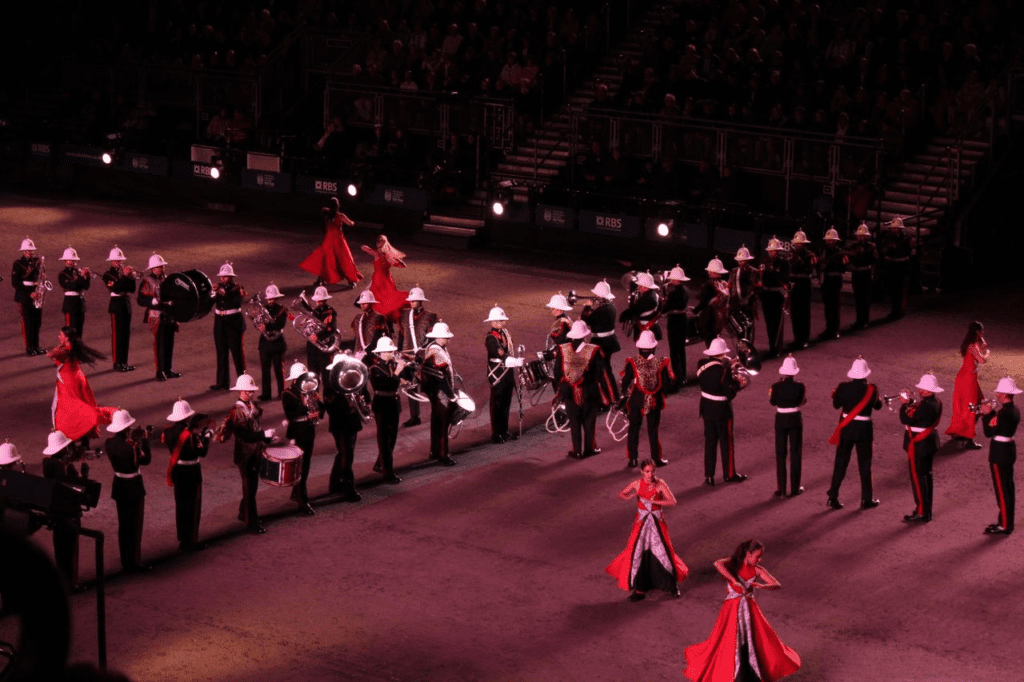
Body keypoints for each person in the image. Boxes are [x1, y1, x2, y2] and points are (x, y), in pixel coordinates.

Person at [683, 540, 801, 682]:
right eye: (757, 556)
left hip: (750, 608)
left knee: (753, 636)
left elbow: (776, 584)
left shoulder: (758, 569)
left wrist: (761, 586)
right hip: (731, 608)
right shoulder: (733, 563)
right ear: (748, 553)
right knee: (729, 637)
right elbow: (717, 563)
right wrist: (733, 580)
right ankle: (733, 669)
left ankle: (748, 668)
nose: (759, 559)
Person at [605, 459, 688, 601]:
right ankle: (639, 590)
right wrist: (629, 496)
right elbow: (621, 494)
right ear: (642, 472)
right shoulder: (636, 484)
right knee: (637, 553)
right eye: (647, 471)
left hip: (657, 523)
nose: (650, 474)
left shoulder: (660, 484)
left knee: (663, 552)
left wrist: (656, 502)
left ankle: (672, 585)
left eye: (652, 471)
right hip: (641, 523)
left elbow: (672, 501)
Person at [216, 373, 275, 534]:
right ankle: (251, 521)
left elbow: (255, 428)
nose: (250, 393)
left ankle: (245, 512)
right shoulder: (237, 412)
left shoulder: (251, 406)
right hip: (245, 454)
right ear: (240, 391)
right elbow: (244, 435)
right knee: (249, 487)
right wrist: (263, 435)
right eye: (247, 391)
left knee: (252, 487)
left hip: (255, 450)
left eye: (251, 391)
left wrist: (266, 437)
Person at [550, 320, 616, 459]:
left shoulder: (563, 350)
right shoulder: (594, 350)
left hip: (569, 391)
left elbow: (557, 373)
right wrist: (611, 397)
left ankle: (577, 450)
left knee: (574, 422)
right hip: (589, 392)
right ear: (585, 336)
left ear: (572, 336)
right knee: (589, 421)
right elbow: (602, 374)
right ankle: (589, 448)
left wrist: (560, 390)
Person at [827, 356, 883, 510]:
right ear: (865, 374)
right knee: (865, 465)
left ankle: (833, 495)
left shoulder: (842, 387)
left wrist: (836, 395)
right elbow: (878, 406)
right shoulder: (872, 389)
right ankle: (866, 499)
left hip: (846, 428)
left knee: (840, 463)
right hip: (864, 430)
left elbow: (836, 405)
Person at [47, 326, 116, 449]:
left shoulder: (65, 351)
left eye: (61, 336)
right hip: (77, 378)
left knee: (68, 411)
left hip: (69, 382)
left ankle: (71, 439)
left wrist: (58, 347)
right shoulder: (72, 347)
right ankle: (84, 440)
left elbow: (50, 354)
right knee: (80, 407)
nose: (59, 337)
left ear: (66, 338)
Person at [104, 409, 152, 572]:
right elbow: (144, 461)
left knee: (124, 525)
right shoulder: (131, 446)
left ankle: (125, 559)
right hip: (133, 486)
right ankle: (134, 561)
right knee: (135, 525)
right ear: (125, 428)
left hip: (119, 485)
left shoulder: (109, 443)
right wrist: (144, 441)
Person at [697, 336, 747, 486]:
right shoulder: (723, 372)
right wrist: (738, 384)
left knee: (710, 443)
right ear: (722, 354)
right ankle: (729, 474)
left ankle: (709, 476)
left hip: (706, 408)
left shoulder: (702, 364)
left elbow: (714, 371)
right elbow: (729, 394)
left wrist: (728, 366)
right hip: (722, 411)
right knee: (727, 443)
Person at [619, 330, 674, 468]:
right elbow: (667, 384)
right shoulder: (662, 361)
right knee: (653, 430)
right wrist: (660, 393)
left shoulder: (633, 361)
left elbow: (625, 380)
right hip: (654, 399)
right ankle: (656, 458)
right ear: (653, 347)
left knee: (633, 429)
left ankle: (632, 459)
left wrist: (625, 395)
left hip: (637, 398)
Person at [162, 398, 210, 551]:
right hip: (192, 472)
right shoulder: (190, 436)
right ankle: (191, 540)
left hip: (178, 471)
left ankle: (182, 539)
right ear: (187, 417)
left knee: (181, 507)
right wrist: (207, 438)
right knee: (193, 507)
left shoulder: (168, 431)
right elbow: (202, 452)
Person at [368, 337, 416, 483]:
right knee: (384, 439)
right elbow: (387, 384)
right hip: (382, 405)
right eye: (389, 351)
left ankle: (379, 464)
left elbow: (407, 378)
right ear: (381, 353)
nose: (392, 352)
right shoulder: (374, 369)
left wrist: (406, 367)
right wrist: (398, 371)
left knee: (392, 437)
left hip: (393, 404)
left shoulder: (391, 365)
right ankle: (387, 473)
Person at [41, 432, 85, 590]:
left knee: (59, 549)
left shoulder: (47, 463)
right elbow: (74, 487)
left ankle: (61, 580)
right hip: (68, 511)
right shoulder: (63, 467)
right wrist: (79, 473)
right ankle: (72, 583)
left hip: (55, 511)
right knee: (71, 550)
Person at [323, 352, 368, 500]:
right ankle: (349, 488)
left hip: (352, 424)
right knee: (346, 456)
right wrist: (348, 406)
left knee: (344, 454)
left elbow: (365, 394)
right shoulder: (330, 388)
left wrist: (362, 402)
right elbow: (331, 409)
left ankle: (334, 483)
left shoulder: (351, 381)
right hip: (340, 426)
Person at [900, 372, 944, 523]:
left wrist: (904, 404)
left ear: (930, 391)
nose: (920, 391)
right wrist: (910, 401)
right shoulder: (934, 402)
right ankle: (926, 510)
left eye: (923, 389)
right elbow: (917, 411)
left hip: (919, 444)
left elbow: (905, 418)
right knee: (926, 477)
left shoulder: (926, 406)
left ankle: (921, 512)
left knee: (918, 480)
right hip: (928, 443)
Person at [980, 376, 1021, 536]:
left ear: (1004, 394)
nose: (996, 392)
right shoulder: (1013, 410)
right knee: (1008, 488)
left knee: (1002, 491)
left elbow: (989, 432)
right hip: (1008, 450)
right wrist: (992, 414)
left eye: (998, 391)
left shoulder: (1004, 413)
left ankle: (1004, 525)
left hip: (1000, 452)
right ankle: (1006, 522)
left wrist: (986, 415)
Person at [282, 362, 323, 516]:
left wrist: (318, 408)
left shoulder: (310, 390)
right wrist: (307, 411)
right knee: (301, 466)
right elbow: (290, 414)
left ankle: (296, 493)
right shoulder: (287, 393)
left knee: (306, 464)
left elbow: (320, 406)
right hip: (297, 432)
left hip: (309, 431)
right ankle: (302, 501)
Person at [300, 197, 363, 288]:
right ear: (338, 206)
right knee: (345, 260)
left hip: (328, 240)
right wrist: (353, 221)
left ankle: (320, 280)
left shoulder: (326, 214)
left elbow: (324, 211)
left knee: (325, 259)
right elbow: (350, 224)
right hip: (338, 241)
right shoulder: (340, 216)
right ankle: (351, 281)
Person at [398, 286, 438, 427]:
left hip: (424, 356)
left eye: (415, 300)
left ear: (421, 301)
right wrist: (399, 353)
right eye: (411, 300)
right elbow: (401, 336)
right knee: (410, 386)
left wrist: (422, 353)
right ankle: (415, 416)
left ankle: (437, 412)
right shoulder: (404, 316)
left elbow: (432, 337)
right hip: (408, 356)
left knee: (430, 385)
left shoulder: (431, 316)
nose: (412, 303)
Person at [946, 321, 989, 449]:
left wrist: (981, 346)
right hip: (968, 380)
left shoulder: (970, 343)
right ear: (978, 332)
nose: (983, 333)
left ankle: (960, 432)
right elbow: (982, 360)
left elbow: (976, 351)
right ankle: (968, 439)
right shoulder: (972, 345)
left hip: (966, 378)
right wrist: (986, 352)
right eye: (982, 331)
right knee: (973, 408)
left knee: (965, 407)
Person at [421, 322, 459, 466]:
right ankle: (443, 453)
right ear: (439, 337)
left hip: (436, 392)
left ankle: (435, 450)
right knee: (443, 423)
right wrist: (451, 394)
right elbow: (441, 377)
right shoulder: (437, 351)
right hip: (441, 393)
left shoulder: (436, 348)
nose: (448, 339)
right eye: (445, 337)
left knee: (436, 422)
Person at [138, 253, 180, 381]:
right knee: (160, 344)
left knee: (169, 343)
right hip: (156, 315)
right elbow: (140, 300)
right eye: (158, 267)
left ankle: (168, 369)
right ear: (152, 269)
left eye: (162, 266)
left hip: (168, 314)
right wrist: (151, 301)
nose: (160, 269)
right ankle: (160, 371)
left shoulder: (167, 279)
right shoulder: (147, 281)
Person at [769, 354, 806, 498]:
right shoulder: (800, 386)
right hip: (795, 419)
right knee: (795, 453)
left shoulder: (776, 386)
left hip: (780, 419)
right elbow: (801, 401)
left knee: (780, 454)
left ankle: (781, 488)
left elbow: (773, 402)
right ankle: (795, 488)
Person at [484, 305, 521, 443]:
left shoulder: (505, 333)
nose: (503, 322)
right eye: (500, 320)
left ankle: (504, 431)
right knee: (497, 404)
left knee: (506, 403)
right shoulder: (490, 337)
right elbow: (498, 352)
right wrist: (510, 359)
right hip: (497, 373)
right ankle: (496, 433)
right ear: (494, 322)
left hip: (507, 373)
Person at [579, 280, 621, 399]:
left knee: (604, 372)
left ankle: (612, 397)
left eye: (597, 295)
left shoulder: (603, 310)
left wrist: (588, 306)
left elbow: (586, 321)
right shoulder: (610, 307)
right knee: (602, 370)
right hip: (609, 340)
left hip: (602, 343)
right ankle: (606, 396)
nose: (596, 297)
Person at [209, 262, 247, 391]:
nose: (222, 279)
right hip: (219, 323)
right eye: (221, 276)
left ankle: (243, 381)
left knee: (237, 354)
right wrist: (212, 293)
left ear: (231, 277)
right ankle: (222, 382)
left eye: (225, 276)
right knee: (221, 352)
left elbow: (236, 302)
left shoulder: (237, 289)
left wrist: (224, 293)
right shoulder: (218, 288)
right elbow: (210, 302)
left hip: (233, 323)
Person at [102, 246, 137, 372]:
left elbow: (132, 289)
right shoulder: (107, 275)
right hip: (116, 304)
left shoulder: (123, 274)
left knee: (125, 335)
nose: (119, 263)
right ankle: (117, 363)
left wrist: (131, 278)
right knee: (117, 335)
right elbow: (116, 288)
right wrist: (125, 276)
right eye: (117, 261)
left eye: (120, 260)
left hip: (125, 304)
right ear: (111, 261)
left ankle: (124, 362)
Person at [360, 235, 408, 323]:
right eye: (378, 241)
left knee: (381, 297)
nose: (379, 243)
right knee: (379, 296)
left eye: (381, 241)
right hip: (378, 278)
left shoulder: (385, 255)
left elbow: (401, 265)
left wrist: (397, 261)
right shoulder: (380, 253)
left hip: (382, 279)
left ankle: (381, 315)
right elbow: (365, 248)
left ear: (385, 243)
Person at [11, 236, 45, 356]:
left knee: (37, 321)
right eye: (28, 250)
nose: (30, 252)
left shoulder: (37, 262)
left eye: (31, 250)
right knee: (27, 322)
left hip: (36, 294)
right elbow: (15, 283)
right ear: (23, 251)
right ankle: (29, 347)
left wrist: (41, 286)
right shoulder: (18, 263)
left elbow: (39, 278)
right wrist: (30, 293)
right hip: (25, 296)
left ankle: (36, 346)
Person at [256, 283, 288, 401]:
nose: (270, 300)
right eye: (269, 298)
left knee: (278, 369)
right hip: (265, 343)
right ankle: (266, 393)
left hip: (277, 343)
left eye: (272, 298)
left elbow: (280, 324)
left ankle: (282, 392)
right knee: (265, 370)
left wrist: (266, 326)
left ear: (276, 298)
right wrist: (259, 325)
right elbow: (258, 322)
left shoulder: (281, 310)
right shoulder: (263, 309)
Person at [758, 239, 789, 358]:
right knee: (769, 323)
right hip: (766, 295)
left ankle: (777, 347)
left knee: (777, 323)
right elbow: (761, 278)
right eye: (770, 251)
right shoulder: (764, 262)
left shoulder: (784, 263)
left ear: (778, 251)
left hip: (777, 295)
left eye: (774, 251)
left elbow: (784, 277)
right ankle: (771, 346)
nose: (771, 253)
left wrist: (770, 272)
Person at [661, 265, 691, 389]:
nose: (671, 281)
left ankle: (678, 378)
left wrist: (664, 302)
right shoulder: (686, 290)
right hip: (683, 320)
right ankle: (683, 375)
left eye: (673, 279)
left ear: (677, 280)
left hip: (674, 321)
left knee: (674, 351)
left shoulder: (673, 293)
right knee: (681, 350)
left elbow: (665, 308)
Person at [878, 216, 912, 320]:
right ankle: (894, 310)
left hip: (901, 266)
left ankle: (899, 311)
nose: (894, 230)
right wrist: (889, 247)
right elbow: (883, 250)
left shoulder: (906, 239)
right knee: (892, 289)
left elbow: (907, 252)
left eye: (896, 228)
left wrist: (898, 248)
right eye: (893, 228)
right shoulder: (888, 237)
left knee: (900, 290)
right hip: (891, 265)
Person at [788, 230, 815, 349]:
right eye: (796, 243)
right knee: (794, 313)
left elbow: (808, 270)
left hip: (804, 285)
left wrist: (798, 259)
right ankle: (796, 338)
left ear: (804, 244)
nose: (798, 245)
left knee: (804, 314)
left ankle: (804, 339)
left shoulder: (809, 255)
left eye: (800, 243)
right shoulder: (791, 255)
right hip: (794, 286)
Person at [818, 228, 847, 340]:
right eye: (828, 240)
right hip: (827, 279)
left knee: (834, 306)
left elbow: (843, 268)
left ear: (835, 241)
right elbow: (821, 266)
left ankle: (835, 330)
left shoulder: (840, 252)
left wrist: (832, 262)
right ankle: (828, 328)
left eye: (831, 240)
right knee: (827, 306)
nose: (829, 242)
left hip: (835, 279)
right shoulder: (823, 251)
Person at [693, 258, 730, 347]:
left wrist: (695, 311)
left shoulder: (709, 285)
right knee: (716, 339)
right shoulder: (724, 283)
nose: (709, 273)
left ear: (715, 273)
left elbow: (704, 301)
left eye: (711, 271)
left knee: (709, 340)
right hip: (721, 317)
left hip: (710, 317)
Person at [848, 222, 877, 329]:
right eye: (859, 235)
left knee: (865, 297)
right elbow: (850, 259)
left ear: (866, 236)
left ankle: (865, 320)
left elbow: (874, 260)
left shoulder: (871, 247)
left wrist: (863, 253)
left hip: (865, 273)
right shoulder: (853, 246)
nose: (860, 237)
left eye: (862, 235)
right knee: (857, 298)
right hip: (856, 273)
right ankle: (858, 319)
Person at [57, 246, 91, 339]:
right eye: (71, 259)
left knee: (79, 329)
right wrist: (81, 276)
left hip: (80, 303)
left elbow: (86, 286)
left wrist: (87, 277)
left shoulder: (77, 272)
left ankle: (79, 349)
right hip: (70, 303)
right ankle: (71, 351)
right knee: (71, 330)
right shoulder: (63, 274)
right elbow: (72, 286)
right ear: (65, 261)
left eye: (74, 259)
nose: (73, 261)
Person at [618, 271, 662, 341]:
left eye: (640, 286)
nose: (638, 287)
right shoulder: (654, 295)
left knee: (644, 348)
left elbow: (635, 310)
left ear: (646, 287)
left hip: (645, 327)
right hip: (653, 326)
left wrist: (624, 315)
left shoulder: (649, 299)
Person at [728, 246, 759, 344]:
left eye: (743, 260)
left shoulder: (753, 271)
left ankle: (749, 349)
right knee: (739, 329)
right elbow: (730, 287)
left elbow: (755, 288)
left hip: (748, 304)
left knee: (749, 328)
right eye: (739, 260)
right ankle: (740, 348)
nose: (741, 262)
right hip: (735, 304)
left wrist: (748, 299)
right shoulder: (733, 271)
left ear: (747, 260)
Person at [306, 285, 338, 377]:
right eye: (318, 300)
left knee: (326, 374)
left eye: (321, 300)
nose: (319, 302)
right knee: (312, 374)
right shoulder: (312, 311)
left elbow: (331, 329)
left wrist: (318, 336)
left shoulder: (330, 312)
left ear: (325, 300)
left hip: (324, 345)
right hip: (312, 346)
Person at [351, 288, 392, 358]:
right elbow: (356, 337)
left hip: (373, 354)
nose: (362, 305)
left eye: (365, 303)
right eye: (361, 303)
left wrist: (368, 351)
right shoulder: (358, 318)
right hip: (358, 354)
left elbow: (381, 338)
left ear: (371, 303)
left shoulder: (379, 317)